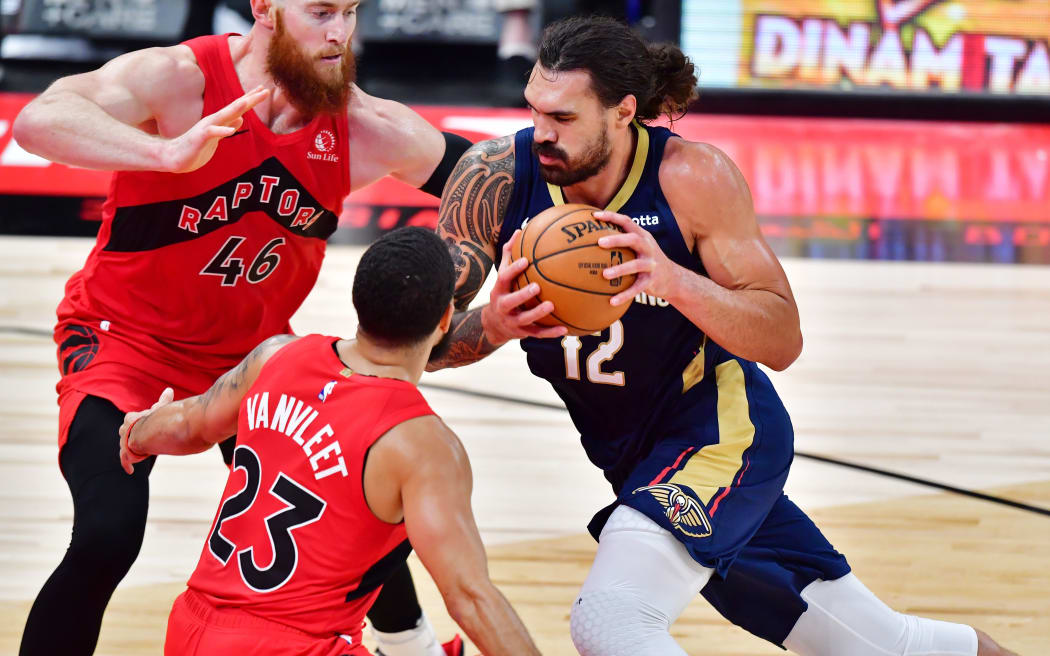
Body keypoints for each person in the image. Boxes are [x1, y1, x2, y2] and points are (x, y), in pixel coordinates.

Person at [429, 15, 1019, 656]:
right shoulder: (494, 178)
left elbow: (783, 340)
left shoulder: (692, 178)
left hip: (719, 434)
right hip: (632, 459)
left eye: (564, 117)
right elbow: (420, 351)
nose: (541, 131)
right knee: (884, 645)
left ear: (623, 111)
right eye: (535, 109)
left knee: (610, 621)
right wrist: (493, 326)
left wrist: (672, 279)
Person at [11, 1, 472, 654]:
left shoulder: (363, 125)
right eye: (320, 11)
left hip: (253, 355)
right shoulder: (181, 80)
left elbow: (491, 182)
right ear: (264, 8)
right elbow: (37, 121)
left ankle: (410, 645)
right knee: (106, 536)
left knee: (354, 482)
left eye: (350, 12)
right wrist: (166, 153)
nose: (339, 33)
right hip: (123, 341)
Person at [115, 227, 541, 656]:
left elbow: (188, 423)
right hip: (295, 647)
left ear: (359, 302)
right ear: (446, 319)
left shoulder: (275, 355)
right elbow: (469, 598)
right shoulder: (422, 444)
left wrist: (136, 434)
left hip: (190, 628)